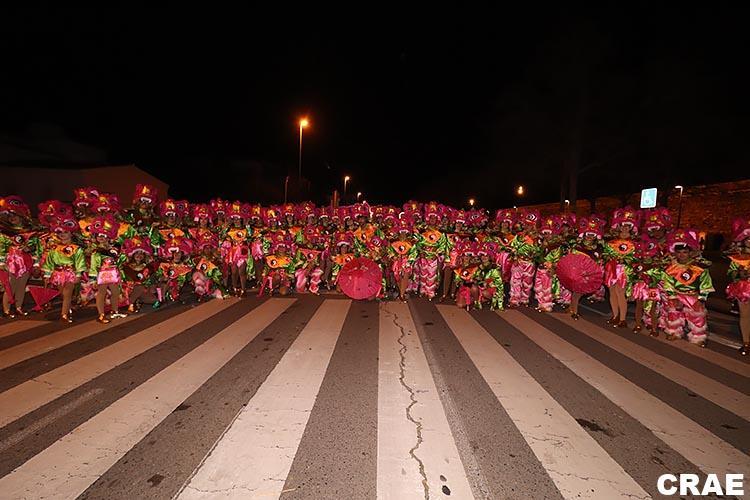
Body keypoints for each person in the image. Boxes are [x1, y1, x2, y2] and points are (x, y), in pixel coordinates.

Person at [662, 229, 714, 346]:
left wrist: (701, 298)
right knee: (674, 314)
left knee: (697, 316)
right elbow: (668, 284)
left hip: (693, 295)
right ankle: (674, 332)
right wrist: (673, 297)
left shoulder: (699, 267)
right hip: (677, 294)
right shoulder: (671, 268)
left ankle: (698, 337)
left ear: (690, 252)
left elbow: (706, 284)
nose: (682, 255)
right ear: (675, 253)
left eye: (685, 252)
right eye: (679, 252)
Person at [42, 216, 87, 322]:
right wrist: (47, 275)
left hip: (70, 273)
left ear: (71, 233)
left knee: (67, 293)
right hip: (58, 274)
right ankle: (68, 308)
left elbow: (80, 262)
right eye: (60, 232)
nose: (62, 234)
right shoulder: (54, 248)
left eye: (65, 232)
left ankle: (64, 315)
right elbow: (49, 262)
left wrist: (78, 275)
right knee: (63, 294)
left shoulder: (76, 249)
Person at [0, 196, 39, 317]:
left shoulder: (30, 230)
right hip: (11, 262)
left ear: (21, 216)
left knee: (21, 286)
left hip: (25, 262)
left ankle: (18, 307)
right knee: (10, 286)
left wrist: (35, 260)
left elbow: (36, 248)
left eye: (15, 215)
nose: (12, 218)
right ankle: (6, 310)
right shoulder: (4, 231)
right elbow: (1, 249)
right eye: (9, 216)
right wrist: (1, 263)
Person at [603, 207, 639, 328]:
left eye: (627, 226)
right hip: (611, 268)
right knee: (612, 292)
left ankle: (623, 319)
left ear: (631, 227)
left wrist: (625, 260)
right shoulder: (611, 242)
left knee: (620, 292)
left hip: (624, 270)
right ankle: (615, 316)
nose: (624, 228)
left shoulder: (635, 243)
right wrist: (609, 257)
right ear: (619, 226)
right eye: (622, 225)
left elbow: (636, 257)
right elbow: (605, 254)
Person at [88, 215, 125, 323]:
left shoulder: (115, 249)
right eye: (99, 235)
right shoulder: (96, 251)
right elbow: (93, 266)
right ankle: (101, 314)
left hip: (113, 274)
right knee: (102, 294)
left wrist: (121, 272)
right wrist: (93, 279)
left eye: (104, 235)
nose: (101, 237)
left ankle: (115, 311)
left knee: (116, 292)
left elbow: (120, 261)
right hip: (102, 275)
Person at [725, 217, 750, 355]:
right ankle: (746, 342)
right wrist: (739, 273)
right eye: (748, 239)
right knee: (745, 315)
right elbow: (731, 273)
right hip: (744, 289)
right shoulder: (738, 257)